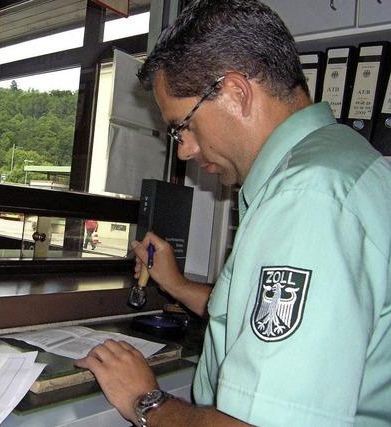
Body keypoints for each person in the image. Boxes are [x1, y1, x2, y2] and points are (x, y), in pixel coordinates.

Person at [75, 1, 391, 426]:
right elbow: (284, 318)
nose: (184, 148)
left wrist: (145, 400)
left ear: (237, 93)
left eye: (181, 126)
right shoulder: (350, 165)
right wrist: (178, 285)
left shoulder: (306, 200)